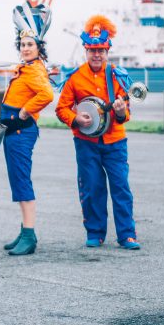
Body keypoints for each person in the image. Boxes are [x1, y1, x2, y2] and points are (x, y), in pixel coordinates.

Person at [55, 15, 140, 250]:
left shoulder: (116, 76)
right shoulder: (75, 78)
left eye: (101, 50)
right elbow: (61, 108)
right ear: (86, 50)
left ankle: (127, 234)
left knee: (121, 187)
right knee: (92, 187)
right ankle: (95, 232)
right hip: (86, 142)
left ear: (107, 50)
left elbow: (126, 113)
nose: (96, 55)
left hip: (115, 141)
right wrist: (76, 118)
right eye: (92, 50)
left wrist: (121, 112)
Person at [0, 5, 55, 256]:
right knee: (17, 180)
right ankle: (24, 230)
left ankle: (29, 235)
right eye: (23, 45)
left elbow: (47, 94)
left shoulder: (34, 69)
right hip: (13, 131)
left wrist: (24, 111)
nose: (26, 48)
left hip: (21, 131)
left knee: (22, 181)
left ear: (39, 47)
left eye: (30, 44)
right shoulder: (26, 67)